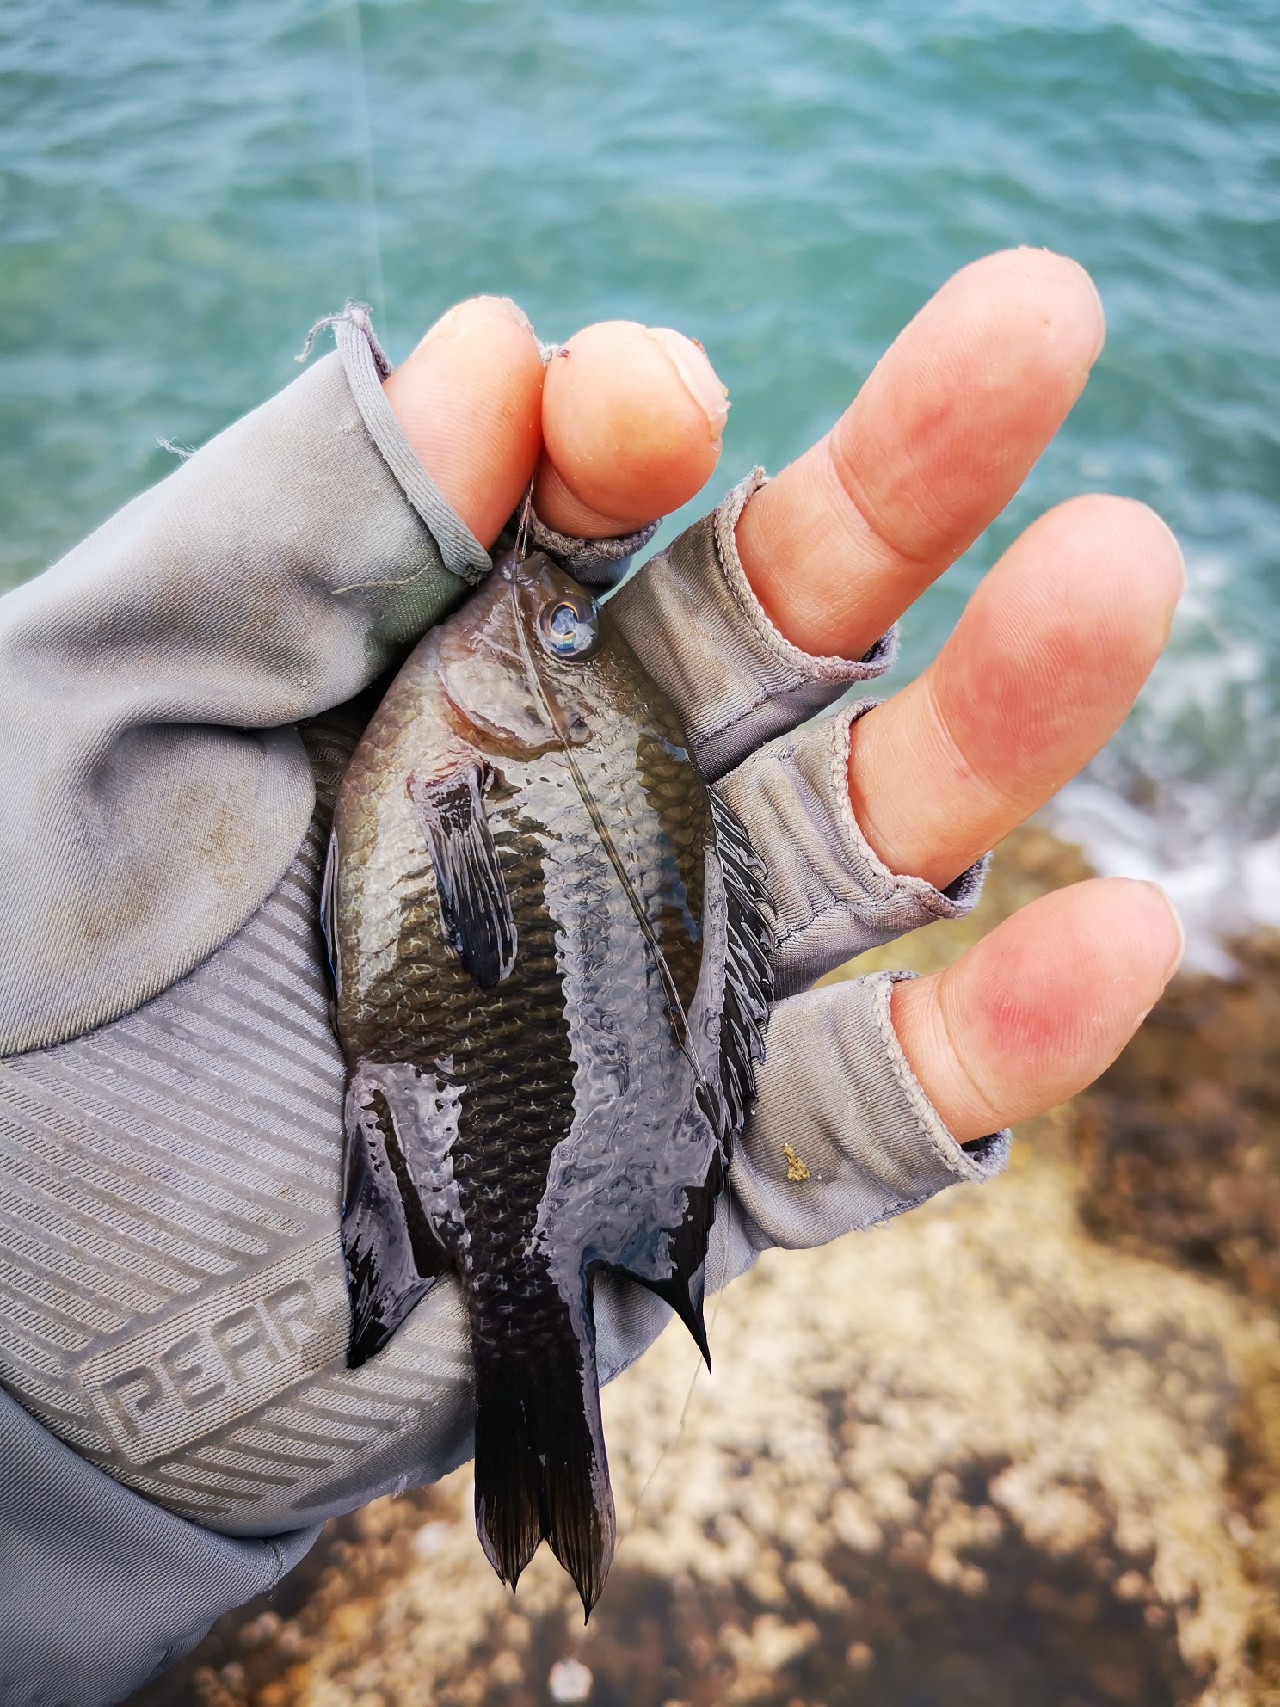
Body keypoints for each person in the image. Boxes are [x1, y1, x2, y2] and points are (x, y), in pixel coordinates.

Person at [0, 249, 1184, 1706]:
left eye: (566, 632)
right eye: (569, 629)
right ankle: (536, 1354)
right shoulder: (508, 753)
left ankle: (529, 1342)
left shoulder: (485, 763)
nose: (541, 612)